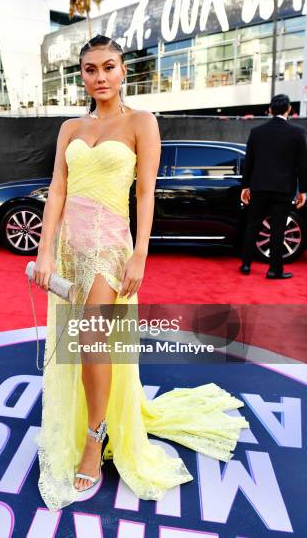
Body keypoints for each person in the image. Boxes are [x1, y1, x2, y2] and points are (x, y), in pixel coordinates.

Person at [32, 34, 249, 511]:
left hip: (110, 245)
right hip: (69, 244)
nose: (100, 77)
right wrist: (44, 252)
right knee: (80, 344)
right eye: (90, 69)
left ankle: (95, 438)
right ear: (82, 76)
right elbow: (56, 191)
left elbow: (146, 193)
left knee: (91, 340)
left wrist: (140, 255)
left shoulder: (141, 122)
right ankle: (89, 421)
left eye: (109, 67)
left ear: (123, 70)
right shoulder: (69, 127)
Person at [240, 94, 307, 279]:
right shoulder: (297, 133)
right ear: (288, 110)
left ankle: (246, 265)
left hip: (259, 187)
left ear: (270, 110)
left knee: (252, 226)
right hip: (283, 189)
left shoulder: (257, 132)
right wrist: (303, 191)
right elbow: (302, 164)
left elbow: (249, 162)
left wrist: (245, 187)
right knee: (278, 229)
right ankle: (274, 270)